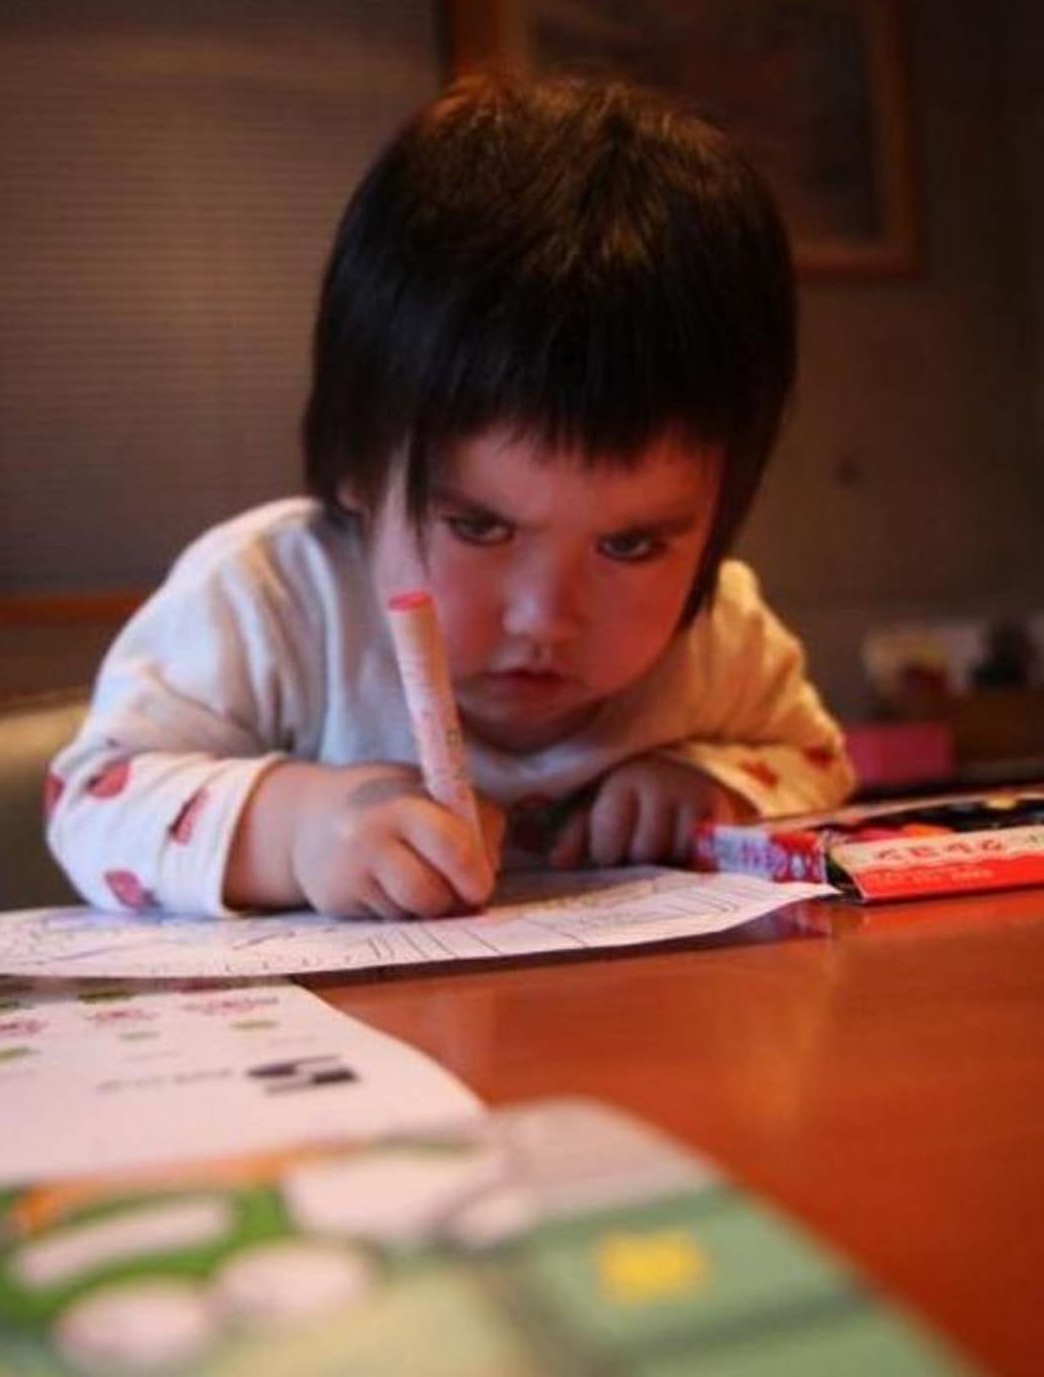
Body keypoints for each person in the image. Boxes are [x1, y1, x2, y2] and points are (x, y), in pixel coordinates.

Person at [47, 72, 855, 920]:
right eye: (479, 525)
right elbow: (92, 799)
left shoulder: (719, 637)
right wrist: (298, 829)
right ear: (356, 460)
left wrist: (713, 785)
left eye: (630, 544)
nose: (545, 617)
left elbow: (820, 761)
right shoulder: (274, 601)